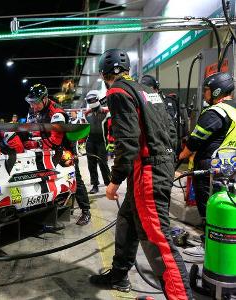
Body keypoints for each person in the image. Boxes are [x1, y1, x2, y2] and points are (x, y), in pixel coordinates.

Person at [89, 49, 192, 299]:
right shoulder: (150, 92)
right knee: (127, 220)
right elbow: (171, 132)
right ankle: (119, 275)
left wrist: (114, 181)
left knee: (157, 239)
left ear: (104, 73)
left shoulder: (117, 92)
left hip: (148, 171)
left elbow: (128, 142)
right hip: (157, 165)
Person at [178, 72, 236, 258]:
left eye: (208, 90)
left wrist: (180, 156)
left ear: (218, 90)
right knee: (226, 206)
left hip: (210, 169)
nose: (205, 94)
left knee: (208, 206)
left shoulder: (215, 112)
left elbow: (194, 142)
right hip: (230, 167)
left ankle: (208, 245)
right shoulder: (233, 110)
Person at [24, 84, 91, 226]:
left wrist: (36, 144)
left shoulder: (57, 113)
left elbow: (55, 140)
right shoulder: (36, 110)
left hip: (64, 149)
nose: (33, 106)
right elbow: (36, 130)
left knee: (74, 178)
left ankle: (86, 211)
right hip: (50, 148)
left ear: (45, 99)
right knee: (49, 177)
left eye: (35, 103)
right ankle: (58, 204)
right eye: (31, 103)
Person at [84, 90, 111, 194]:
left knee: (103, 163)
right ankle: (95, 185)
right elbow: (84, 129)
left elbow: (111, 128)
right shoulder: (86, 114)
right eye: (89, 100)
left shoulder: (106, 112)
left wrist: (113, 142)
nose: (91, 101)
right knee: (91, 164)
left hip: (102, 141)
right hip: (90, 141)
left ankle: (108, 183)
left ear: (97, 99)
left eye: (92, 99)